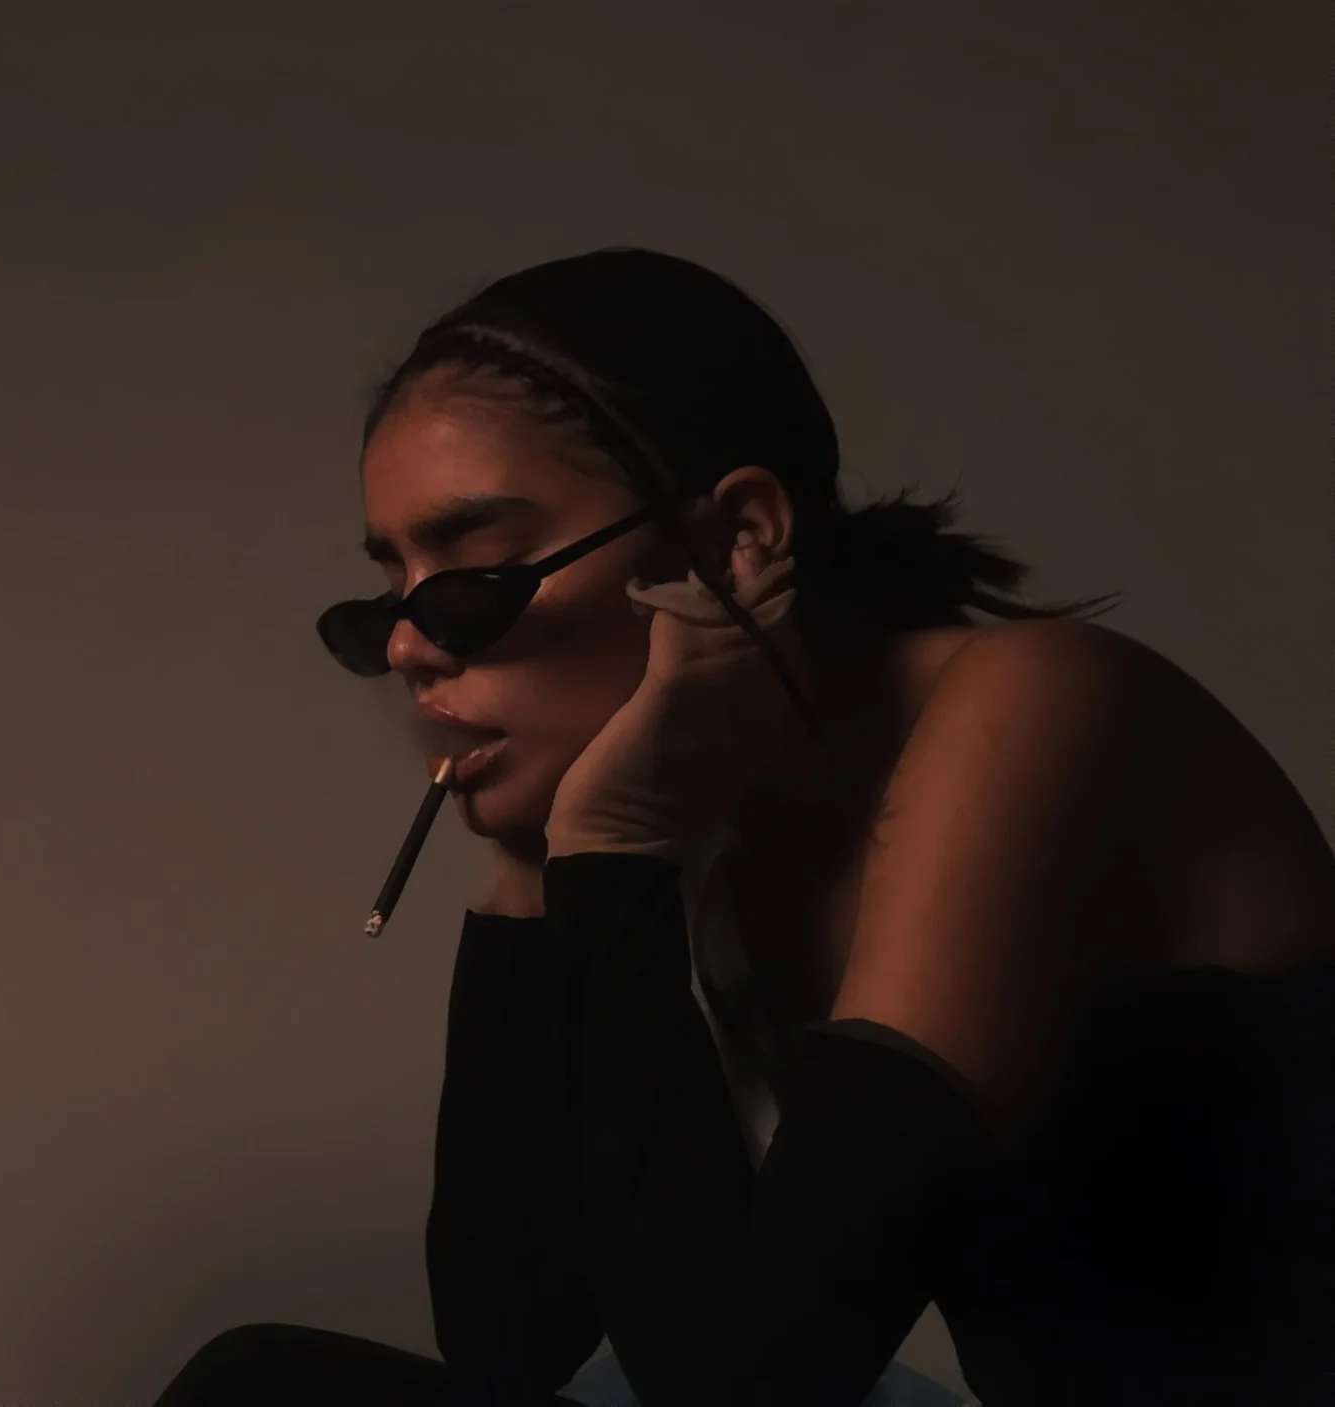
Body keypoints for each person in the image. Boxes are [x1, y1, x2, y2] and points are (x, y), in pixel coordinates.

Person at [156, 249, 1335, 1405]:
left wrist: (609, 836)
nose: (412, 646)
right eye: (387, 601)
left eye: (475, 579)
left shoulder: (1034, 706)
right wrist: (536, 856)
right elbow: (510, 1342)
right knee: (266, 1386)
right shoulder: (715, 824)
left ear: (739, 539)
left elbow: (739, 1386)